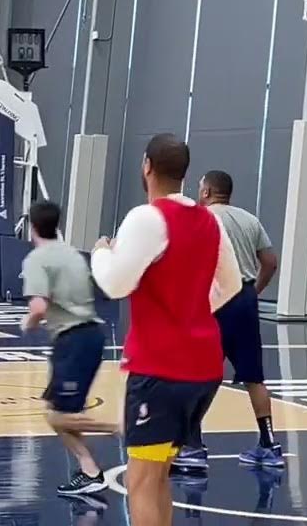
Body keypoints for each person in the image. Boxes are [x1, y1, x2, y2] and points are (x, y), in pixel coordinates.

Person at [90, 134, 241, 526]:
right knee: (157, 477)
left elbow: (115, 284)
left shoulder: (147, 218)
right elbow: (231, 285)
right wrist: (190, 311)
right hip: (203, 370)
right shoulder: (209, 220)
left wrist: (101, 253)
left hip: (160, 370)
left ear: (147, 166)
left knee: (140, 481)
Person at [174, 169, 283, 468]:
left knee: (197, 373)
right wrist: (253, 291)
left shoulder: (199, 218)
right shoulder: (250, 220)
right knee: (254, 377)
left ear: (207, 192)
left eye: (200, 187)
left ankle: (192, 447)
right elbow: (270, 262)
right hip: (244, 299)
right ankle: (269, 445)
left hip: (213, 299)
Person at [19, 199, 117, 497]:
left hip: (74, 341)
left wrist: (28, 322)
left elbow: (38, 306)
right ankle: (90, 471)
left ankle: (120, 427)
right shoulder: (73, 254)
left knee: (56, 417)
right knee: (56, 410)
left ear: (32, 227)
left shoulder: (37, 259)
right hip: (88, 336)